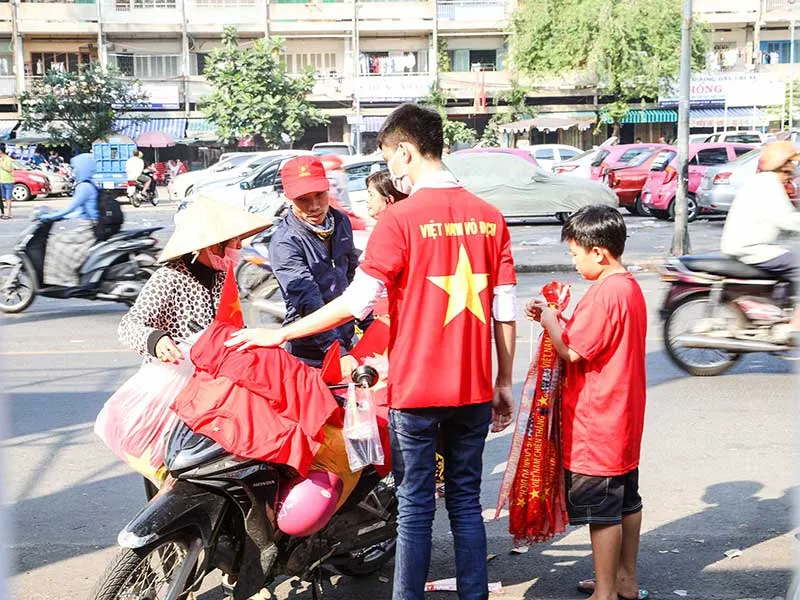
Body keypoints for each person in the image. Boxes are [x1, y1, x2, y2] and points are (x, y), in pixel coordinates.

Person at [226, 103, 517, 600]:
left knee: (415, 508)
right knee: (466, 504)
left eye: (390, 157)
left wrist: (279, 334)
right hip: (472, 388)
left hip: (416, 391)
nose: (392, 170)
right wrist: (504, 382)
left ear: (405, 150)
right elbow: (504, 310)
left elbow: (353, 302)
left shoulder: (400, 220)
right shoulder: (490, 218)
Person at [525, 205, 647, 600]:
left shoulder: (605, 293)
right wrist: (555, 315)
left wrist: (549, 323)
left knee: (602, 512)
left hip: (598, 422)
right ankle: (624, 579)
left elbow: (572, 351)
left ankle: (606, 591)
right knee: (627, 501)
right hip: (623, 416)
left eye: (575, 254)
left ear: (598, 252)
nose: (574, 263)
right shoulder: (629, 287)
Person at [118, 197, 270, 498]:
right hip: (172, 393)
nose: (238, 249)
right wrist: (157, 340)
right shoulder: (170, 278)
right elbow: (129, 326)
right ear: (212, 245)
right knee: (169, 476)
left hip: (211, 391)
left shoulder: (221, 275)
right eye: (234, 243)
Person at [267, 155, 365, 368]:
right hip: (309, 351)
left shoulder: (340, 221)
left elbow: (353, 276)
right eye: (303, 199)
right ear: (288, 199)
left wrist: (368, 324)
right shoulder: (285, 242)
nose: (314, 206)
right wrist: (337, 352)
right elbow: (307, 301)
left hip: (346, 338)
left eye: (319, 195)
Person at [721, 140, 800, 332]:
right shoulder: (769, 184)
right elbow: (785, 219)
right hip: (751, 247)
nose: (789, 175)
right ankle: (793, 325)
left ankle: (779, 308)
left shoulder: (761, 181)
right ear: (779, 166)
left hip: (749, 244)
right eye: (787, 170)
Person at [39, 153, 100, 287]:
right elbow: (78, 212)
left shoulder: (84, 187)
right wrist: (58, 216)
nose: (74, 171)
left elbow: (71, 209)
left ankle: (66, 280)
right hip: (90, 225)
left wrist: (48, 217)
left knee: (57, 243)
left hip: (88, 229)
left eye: (76, 168)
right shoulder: (89, 184)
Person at [0, 144, 13, 220]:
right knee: (3, 198)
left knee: (8, 198)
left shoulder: (8, 159)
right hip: (1, 181)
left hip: (8, 181)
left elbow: (9, 169)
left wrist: (2, 166)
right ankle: (5, 213)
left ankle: (8, 213)